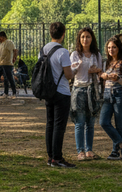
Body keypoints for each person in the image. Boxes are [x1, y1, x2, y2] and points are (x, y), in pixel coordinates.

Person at [42, 21, 75, 168]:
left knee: (50, 123)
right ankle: (57, 157)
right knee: (59, 125)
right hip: (61, 91)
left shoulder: (43, 49)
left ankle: (50, 156)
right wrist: (75, 70)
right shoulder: (63, 52)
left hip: (48, 91)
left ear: (50, 33)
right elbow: (68, 75)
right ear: (63, 34)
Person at [70, 27, 103, 161]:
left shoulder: (97, 55)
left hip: (92, 89)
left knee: (90, 122)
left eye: (88, 37)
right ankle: (80, 151)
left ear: (92, 39)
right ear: (79, 39)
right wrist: (78, 66)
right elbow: (71, 73)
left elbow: (100, 72)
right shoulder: (75, 55)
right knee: (80, 122)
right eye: (83, 37)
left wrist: (96, 70)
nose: (85, 39)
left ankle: (89, 150)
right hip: (79, 89)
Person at [98, 36, 122, 160]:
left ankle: (115, 151)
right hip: (107, 95)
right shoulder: (105, 62)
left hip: (120, 94)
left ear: (119, 48)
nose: (111, 50)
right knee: (103, 122)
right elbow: (101, 74)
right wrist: (104, 75)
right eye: (109, 47)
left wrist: (118, 79)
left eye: (114, 47)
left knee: (119, 124)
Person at [0, 31, 19, 99]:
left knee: (10, 78)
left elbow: (15, 51)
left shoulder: (9, 42)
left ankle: (14, 92)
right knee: (5, 79)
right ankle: (6, 92)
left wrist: (14, 59)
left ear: (2, 37)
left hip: (8, 63)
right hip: (2, 63)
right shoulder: (2, 44)